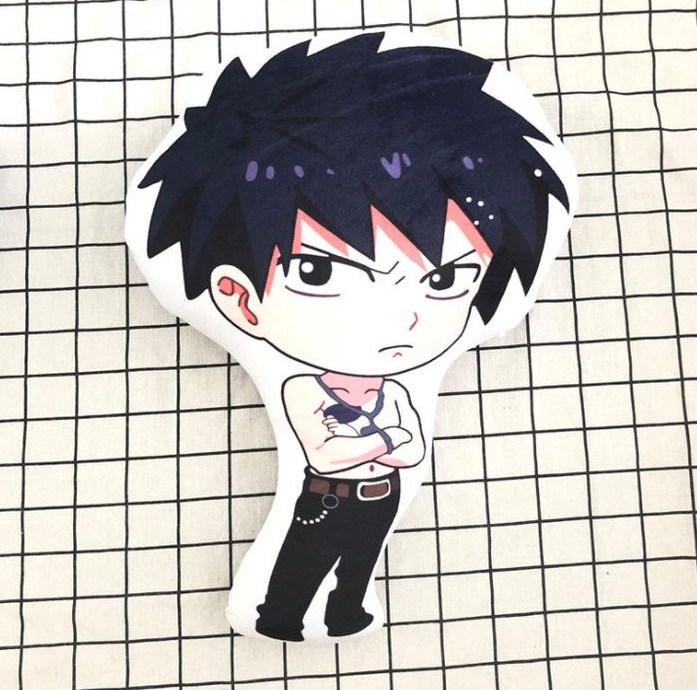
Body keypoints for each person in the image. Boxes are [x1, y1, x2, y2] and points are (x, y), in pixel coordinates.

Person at [136, 32, 570, 641]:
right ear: (239, 297)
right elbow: (338, 453)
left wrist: (373, 440)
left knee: (357, 565)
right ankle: (280, 613)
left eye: (445, 278)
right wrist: (385, 437)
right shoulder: (306, 389)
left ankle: (346, 609)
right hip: (326, 497)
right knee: (303, 562)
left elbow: (404, 451)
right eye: (318, 272)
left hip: (378, 495)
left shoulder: (381, 388)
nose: (401, 318)